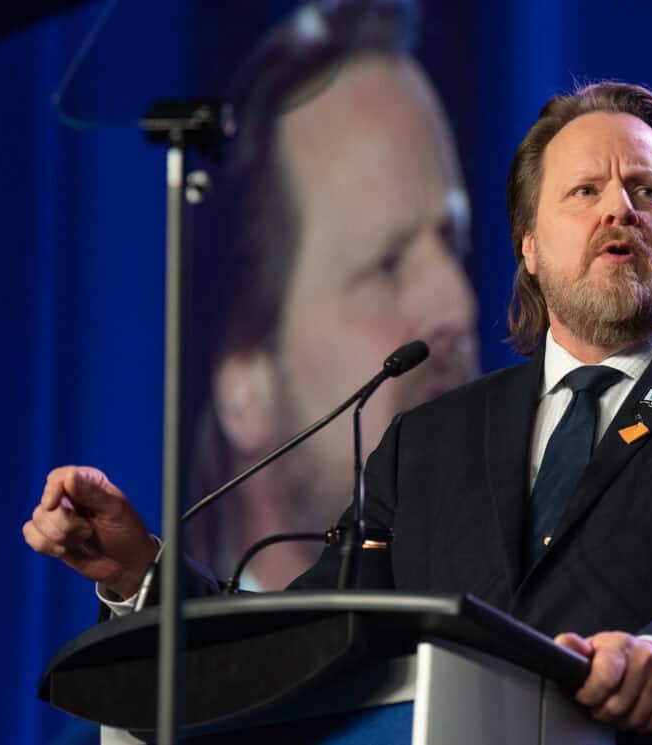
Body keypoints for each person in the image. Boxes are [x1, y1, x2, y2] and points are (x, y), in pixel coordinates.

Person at [25, 80, 652, 744]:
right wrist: (141, 574)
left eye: (647, 190)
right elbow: (301, 644)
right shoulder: (427, 438)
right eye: (585, 189)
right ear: (527, 245)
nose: (618, 209)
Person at [180, 1, 479, 590]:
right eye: (385, 266)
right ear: (246, 381)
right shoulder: (164, 682)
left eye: (452, 243)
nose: (457, 305)